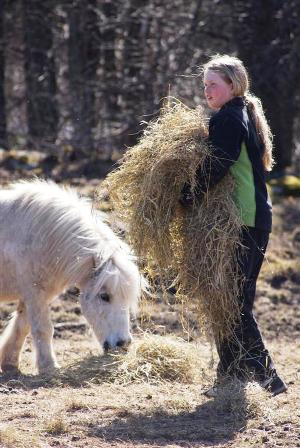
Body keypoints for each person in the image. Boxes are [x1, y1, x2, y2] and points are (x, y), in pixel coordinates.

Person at [181, 54, 287, 397]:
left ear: (233, 85)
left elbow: (219, 165)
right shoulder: (240, 113)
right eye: (205, 85)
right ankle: (229, 379)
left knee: (234, 304)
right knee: (229, 301)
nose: (207, 91)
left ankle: (269, 380)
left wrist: (186, 196)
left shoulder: (229, 118)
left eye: (213, 84)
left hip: (245, 220)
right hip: (250, 219)